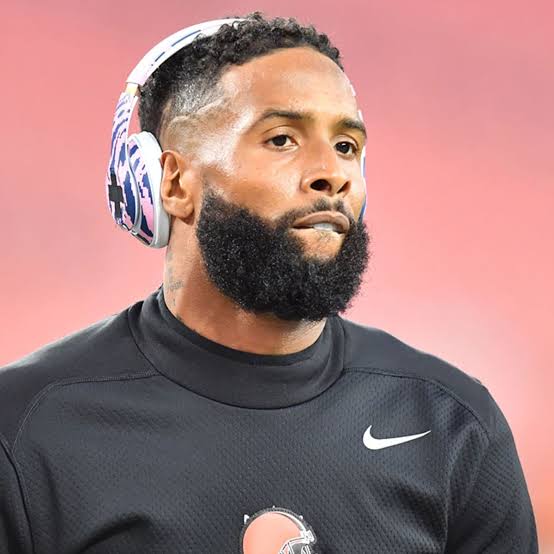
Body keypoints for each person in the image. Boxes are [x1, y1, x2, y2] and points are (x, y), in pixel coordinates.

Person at [0, 12, 537, 554]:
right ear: (172, 183)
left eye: (347, 146)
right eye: (282, 139)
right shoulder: (25, 430)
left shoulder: (453, 424)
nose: (333, 173)